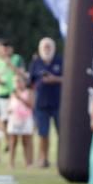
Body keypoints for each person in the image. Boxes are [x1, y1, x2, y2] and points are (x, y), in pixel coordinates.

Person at [28, 37, 62, 168]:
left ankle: (61, 158)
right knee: (43, 133)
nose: (47, 49)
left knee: (61, 132)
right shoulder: (36, 63)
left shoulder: (60, 60)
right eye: (44, 47)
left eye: (49, 47)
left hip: (58, 102)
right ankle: (43, 159)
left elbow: (68, 78)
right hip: (41, 104)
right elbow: (30, 83)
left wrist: (56, 79)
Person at [7, 74, 34, 169]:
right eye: (15, 82)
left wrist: (20, 98)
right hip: (15, 119)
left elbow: (31, 105)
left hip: (26, 119)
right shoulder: (13, 93)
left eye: (19, 81)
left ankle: (28, 163)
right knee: (13, 142)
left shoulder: (29, 92)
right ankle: (11, 163)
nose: (17, 84)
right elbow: (10, 105)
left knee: (26, 141)